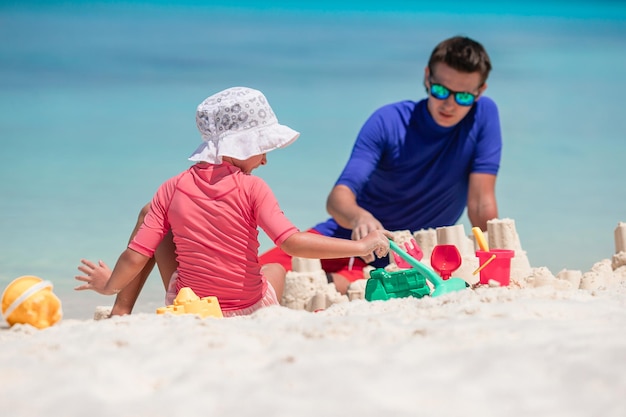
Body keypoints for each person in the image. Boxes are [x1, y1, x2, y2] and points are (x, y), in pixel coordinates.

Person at [75, 86, 391, 317]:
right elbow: (293, 244)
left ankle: (121, 311)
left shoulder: (171, 188)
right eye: (263, 147)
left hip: (189, 308)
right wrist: (361, 247)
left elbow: (134, 256)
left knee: (153, 219)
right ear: (240, 146)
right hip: (250, 308)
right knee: (274, 271)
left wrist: (109, 285)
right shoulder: (254, 188)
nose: (266, 159)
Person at [259, 35, 502, 294]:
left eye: (463, 97)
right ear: (427, 77)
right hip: (348, 239)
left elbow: (480, 203)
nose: (449, 103)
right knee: (251, 271)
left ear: (480, 92)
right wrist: (360, 217)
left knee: (338, 286)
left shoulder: (483, 116)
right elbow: (338, 198)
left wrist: (494, 256)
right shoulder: (388, 121)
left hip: (413, 255)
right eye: (441, 90)